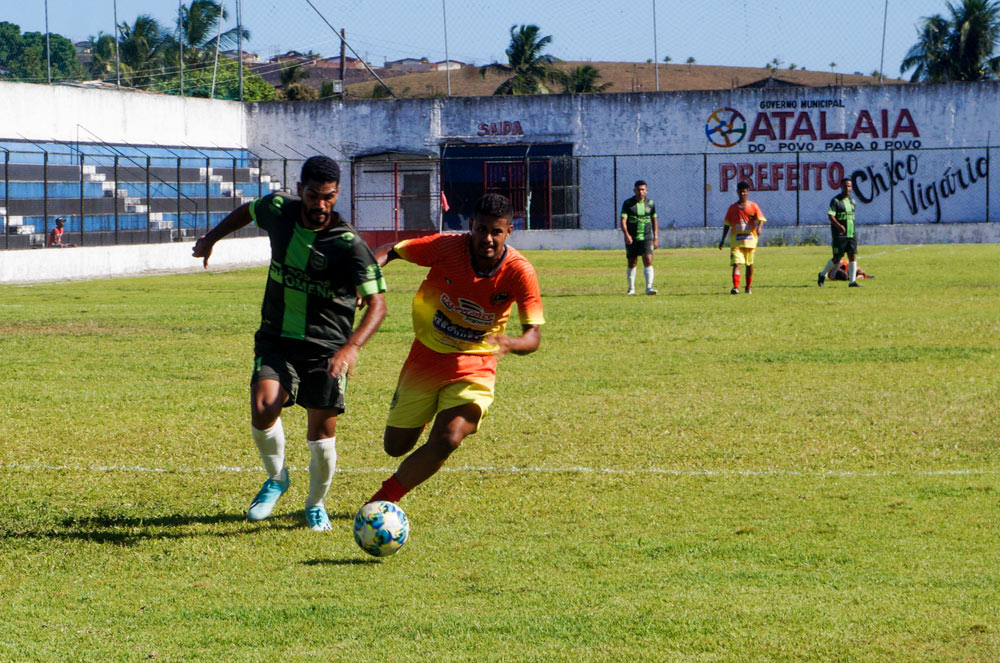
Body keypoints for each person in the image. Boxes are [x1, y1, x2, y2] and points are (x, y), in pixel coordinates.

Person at [191, 155, 387, 532]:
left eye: (329, 197)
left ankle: (315, 504)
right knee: (263, 406)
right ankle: (277, 478)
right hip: (277, 336)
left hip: (327, 348)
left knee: (321, 436)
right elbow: (247, 211)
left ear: (337, 194)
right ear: (300, 190)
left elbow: (378, 304)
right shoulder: (279, 209)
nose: (321, 205)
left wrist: (352, 347)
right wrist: (211, 238)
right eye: (313, 196)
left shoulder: (348, 243)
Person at [364, 193, 544, 506]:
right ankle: (426, 412)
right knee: (395, 446)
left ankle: (381, 502)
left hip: (477, 364)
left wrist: (512, 343)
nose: (488, 238)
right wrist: (366, 282)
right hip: (426, 357)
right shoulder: (447, 247)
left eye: (496, 231)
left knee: (449, 437)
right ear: (471, 225)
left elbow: (534, 336)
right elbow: (390, 250)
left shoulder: (520, 271)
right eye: (482, 229)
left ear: (509, 231)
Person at [718, 181, 766, 294]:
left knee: (749, 264)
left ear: (748, 192)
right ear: (737, 192)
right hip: (736, 241)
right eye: (740, 192)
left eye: (744, 191)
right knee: (736, 263)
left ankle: (748, 287)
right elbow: (727, 225)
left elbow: (761, 219)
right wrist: (722, 239)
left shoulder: (753, 206)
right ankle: (736, 287)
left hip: (750, 241)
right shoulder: (732, 208)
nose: (742, 194)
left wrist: (759, 228)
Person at [818, 177, 863, 287]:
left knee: (852, 256)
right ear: (841, 187)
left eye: (849, 186)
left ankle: (852, 282)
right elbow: (830, 216)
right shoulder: (836, 201)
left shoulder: (852, 201)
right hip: (840, 235)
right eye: (845, 186)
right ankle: (822, 274)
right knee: (837, 258)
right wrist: (839, 226)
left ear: (851, 187)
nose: (847, 188)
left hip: (851, 233)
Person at [620, 180, 658, 295]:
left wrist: (655, 237)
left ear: (646, 191)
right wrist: (626, 235)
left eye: (643, 189)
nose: (640, 192)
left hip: (647, 237)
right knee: (632, 262)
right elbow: (623, 221)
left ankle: (649, 288)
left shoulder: (650, 204)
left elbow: (654, 220)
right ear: (634, 190)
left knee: (648, 260)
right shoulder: (628, 203)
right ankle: (631, 289)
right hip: (632, 238)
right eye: (638, 189)